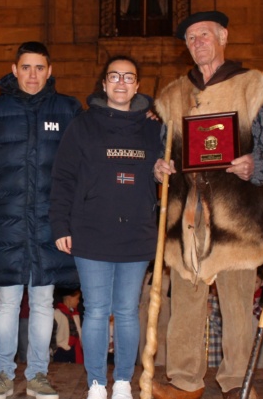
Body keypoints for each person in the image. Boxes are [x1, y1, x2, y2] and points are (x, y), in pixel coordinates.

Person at [151, 11, 263, 399]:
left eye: (204, 35)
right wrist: (158, 168)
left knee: (238, 305)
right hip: (185, 215)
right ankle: (184, 382)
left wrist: (253, 165)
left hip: (237, 215)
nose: (197, 43)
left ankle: (235, 384)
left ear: (223, 36)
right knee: (186, 304)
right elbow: (163, 152)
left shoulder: (251, 86)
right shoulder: (173, 94)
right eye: (191, 38)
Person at [51, 55, 163, 399]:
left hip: (137, 232)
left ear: (137, 86)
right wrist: (60, 225)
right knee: (97, 310)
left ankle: (124, 382)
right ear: (103, 84)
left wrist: (161, 171)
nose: (120, 83)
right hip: (91, 231)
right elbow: (63, 178)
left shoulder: (153, 127)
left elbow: (164, 170)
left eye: (128, 77)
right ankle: (97, 382)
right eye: (114, 76)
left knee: (128, 311)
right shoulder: (82, 126)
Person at [0, 41, 82, 399]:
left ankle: (38, 374)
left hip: (49, 222)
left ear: (50, 71)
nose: (33, 75)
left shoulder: (68, 109)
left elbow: (80, 166)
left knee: (42, 302)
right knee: (7, 302)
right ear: (14, 69)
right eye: (26, 67)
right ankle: (2, 375)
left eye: (40, 68)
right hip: (6, 219)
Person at [51, 288, 83, 364]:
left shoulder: (75, 314)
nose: (78, 301)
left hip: (74, 349)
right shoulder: (57, 314)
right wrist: (54, 350)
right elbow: (52, 334)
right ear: (69, 298)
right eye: (77, 298)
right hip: (61, 350)